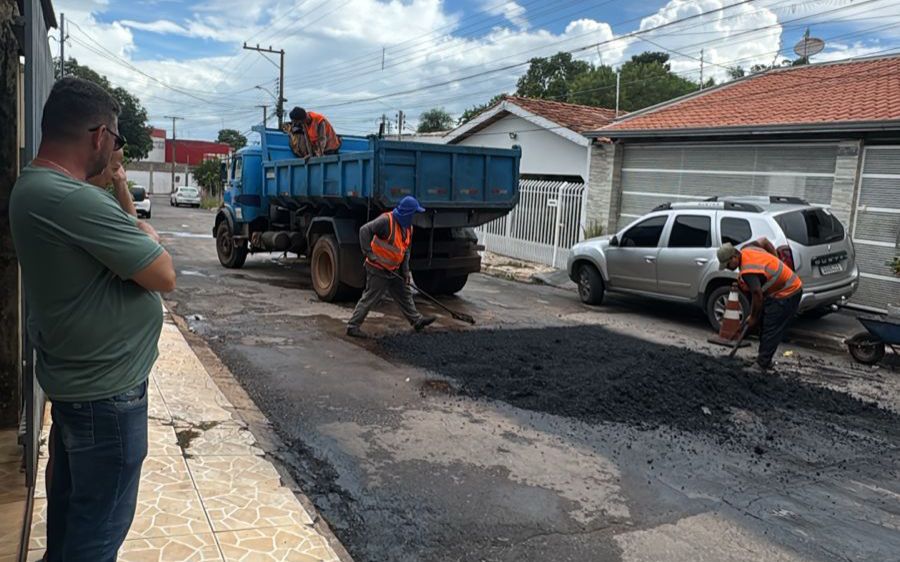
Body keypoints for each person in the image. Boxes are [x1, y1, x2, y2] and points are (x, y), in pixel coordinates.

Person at [9, 77, 176, 561]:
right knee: (96, 537)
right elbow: (162, 273)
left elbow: (134, 233)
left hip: (82, 388)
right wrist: (148, 240)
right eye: (116, 140)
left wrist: (137, 230)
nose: (115, 152)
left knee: (71, 518)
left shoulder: (39, 188)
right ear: (100, 135)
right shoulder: (70, 199)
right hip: (106, 398)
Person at [347, 196, 436, 338]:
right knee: (371, 297)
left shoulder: (409, 228)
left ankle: (416, 321)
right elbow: (364, 230)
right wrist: (369, 254)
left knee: (404, 293)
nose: (415, 217)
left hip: (394, 269)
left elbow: (405, 251)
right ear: (407, 214)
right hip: (377, 268)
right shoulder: (386, 221)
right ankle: (353, 326)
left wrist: (405, 272)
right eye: (414, 214)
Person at [718, 238, 803, 371]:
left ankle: (762, 364)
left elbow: (757, 294)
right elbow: (764, 241)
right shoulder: (748, 248)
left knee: (771, 327)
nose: (728, 268)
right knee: (764, 323)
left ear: (734, 257)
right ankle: (763, 359)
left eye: (728, 264)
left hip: (788, 292)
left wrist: (753, 317)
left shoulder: (748, 271)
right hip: (780, 291)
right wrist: (777, 260)